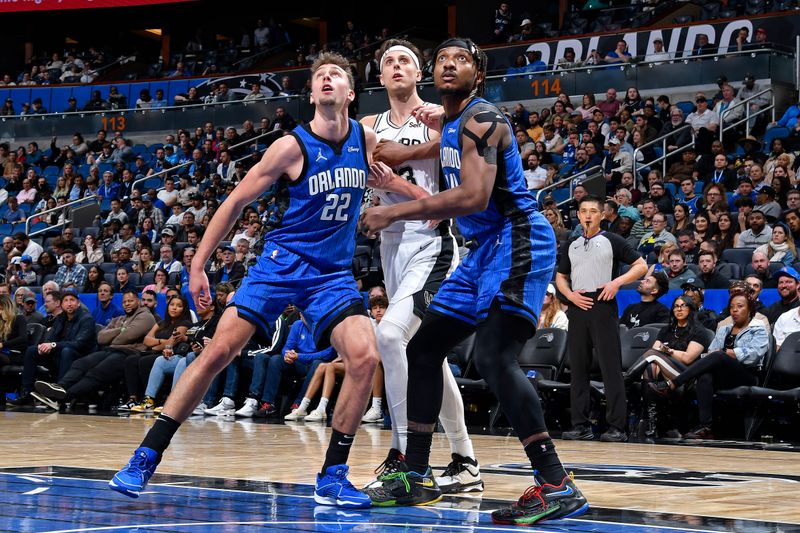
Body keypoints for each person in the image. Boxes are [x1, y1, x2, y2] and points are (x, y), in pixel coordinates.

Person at [110, 52, 401, 509]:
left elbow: (415, 150)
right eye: (319, 76)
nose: (327, 79)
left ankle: (333, 474)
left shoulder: (365, 137)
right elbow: (234, 203)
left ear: (349, 92)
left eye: (336, 75)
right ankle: (146, 455)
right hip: (281, 266)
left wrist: (436, 118)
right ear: (311, 93)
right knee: (218, 351)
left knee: (365, 357)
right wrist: (198, 263)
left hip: (332, 275)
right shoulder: (290, 147)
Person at [359, 38, 590, 524]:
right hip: (484, 251)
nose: (448, 64)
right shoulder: (451, 126)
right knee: (423, 348)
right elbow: (423, 148)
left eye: (461, 60)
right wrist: (388, 151)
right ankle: (416, 474)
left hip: (519, 238)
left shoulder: (485, 120)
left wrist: (396, 210)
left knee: (492, 356)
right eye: (442, 59)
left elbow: (471, 198)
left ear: (478, 76)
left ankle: (555, 482)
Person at [355, 38, 482, 494]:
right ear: (381, 75)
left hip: (432, 242)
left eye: (405, 59)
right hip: (390, 246)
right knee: (427, 355)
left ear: (419, 72)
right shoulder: (368, 126)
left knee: (390, 334)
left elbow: (448, 200)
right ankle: (465, 461)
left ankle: (406, 455)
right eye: (388, 61)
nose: (396, 66)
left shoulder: (440, 118)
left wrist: (403, 192)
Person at [555, 194, 648, 443]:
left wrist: (617, 283)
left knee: (610, 368)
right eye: (583, 211)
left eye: (593, 211)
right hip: (577, 305)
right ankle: (580, 425)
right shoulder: (571, 244)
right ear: (578, 215)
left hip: (603, 304)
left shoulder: (612, 240)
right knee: (578, 369)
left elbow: (641, 265)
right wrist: (570, 297)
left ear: (602, 215)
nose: (587, 215)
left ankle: (617, 426)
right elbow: (561, 277)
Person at [663, 288, 768, 439]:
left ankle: (675, 382)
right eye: (731, 307)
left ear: (750, 309)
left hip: (747, 374)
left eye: (740, 306)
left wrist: (730, 353)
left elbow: (754, 356)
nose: (734, 310)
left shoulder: (758, 330)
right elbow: (710, 354)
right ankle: (706, 426)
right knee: (706, 375)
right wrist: (725, 354)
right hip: (724, 375)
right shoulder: (724, 329)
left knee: (720, 355)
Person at [33, 290, 157, 410]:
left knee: (97, 372)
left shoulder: (145, 316)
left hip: (128, 354)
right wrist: (121, 330)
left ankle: (63, 397)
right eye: (124, 302)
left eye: (131, 301)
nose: (127, 304)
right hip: (109, 350)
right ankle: (59, 387)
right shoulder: (119, 319)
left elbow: (127, 336)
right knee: (80, 363)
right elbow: (101, 338)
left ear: (139, 302)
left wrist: (115, 336)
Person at [624, 294, 710, 442]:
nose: (679, 309)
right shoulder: (666, 330)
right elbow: (655, 351)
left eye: (683, 306)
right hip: (662, 375)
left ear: (691, 309)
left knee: (653, 356)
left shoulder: (700, 331)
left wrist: (669, 352)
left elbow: (688, 358)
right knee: (650, 365)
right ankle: (651, 428)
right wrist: (665, 353)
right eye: (676, 306)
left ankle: (623, 381)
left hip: (685, 375)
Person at [10, 289, 97, 406]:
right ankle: (27, 393)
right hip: (60, 354)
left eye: (72, 300)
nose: (69, 303)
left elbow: (79, 344)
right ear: (61, 304)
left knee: (67, 351)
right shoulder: (61, 317)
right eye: (66, 301)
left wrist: (53, 345)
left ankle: (59, 395)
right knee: (32, 351)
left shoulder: (87, 319)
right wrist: (45, 346)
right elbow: (52, 338)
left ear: (78, 303)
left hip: (80, 357)